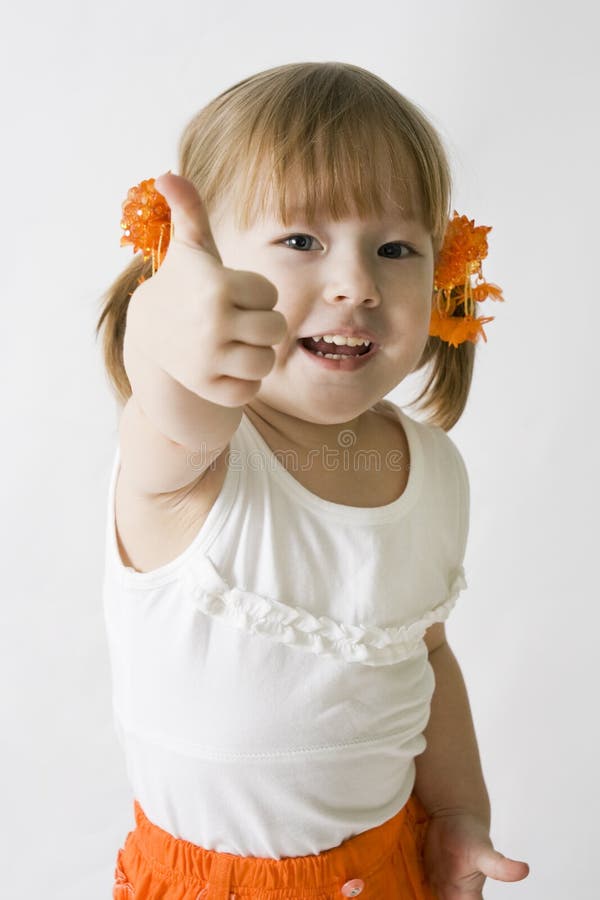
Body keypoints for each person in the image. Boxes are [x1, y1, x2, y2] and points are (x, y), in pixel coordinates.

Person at [97, 61, 530, 900]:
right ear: (207, 268)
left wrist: (458, 814)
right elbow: (170, 399)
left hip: (389, 864)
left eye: (396, 248)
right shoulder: (192, 463)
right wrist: (166, 329)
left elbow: (426, 657)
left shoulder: (434, 471)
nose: (357, 285)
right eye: (301, 241)